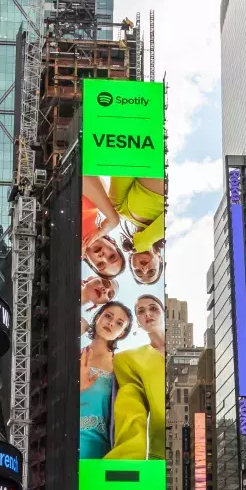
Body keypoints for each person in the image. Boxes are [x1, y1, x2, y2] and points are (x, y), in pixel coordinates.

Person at [106, 294, 165, 460]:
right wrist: (128, 460)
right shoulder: (128, 359)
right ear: (138, 322)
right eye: (141, 311)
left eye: (153, 308)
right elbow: (131, 406)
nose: (148, 313)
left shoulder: (191, 352)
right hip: (161, 456)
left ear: (164, 313)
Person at [83, 175, 165, 285]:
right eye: (151, 271)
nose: (144, 269)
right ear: (159, 258)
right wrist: (148, 239)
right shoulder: (168, 225)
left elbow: (122, 167)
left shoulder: (119, 209)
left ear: (131, 259)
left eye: (138, 272)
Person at [80, 301, 133, 459]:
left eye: (119, 323)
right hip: (63, 440)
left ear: (122, 333)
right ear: (97, 318)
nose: (111, 323)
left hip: (98, 449)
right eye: (108, 316)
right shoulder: (74, 355)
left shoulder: (121, 366)